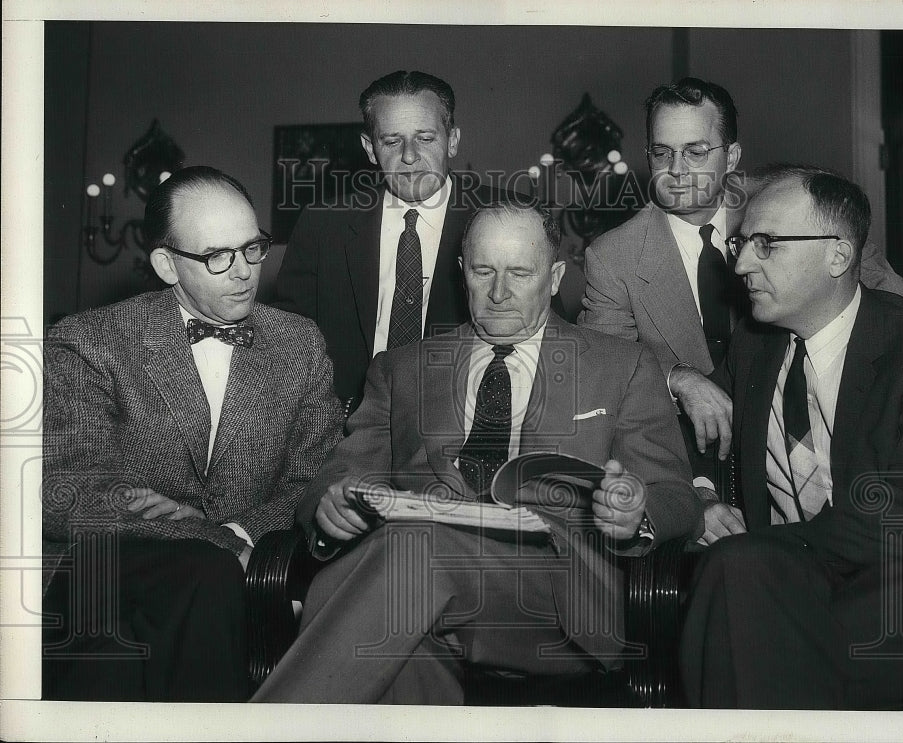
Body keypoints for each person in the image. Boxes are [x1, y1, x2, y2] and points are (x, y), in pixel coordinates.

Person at [252, 202, 702, 704]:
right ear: (461, 271)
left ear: (554, 278)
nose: (499, 292)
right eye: (484, 271)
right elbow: (339, 478)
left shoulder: (622, 366)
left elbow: (678, 499)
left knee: (403, 558)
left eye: (520, 273)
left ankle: (268, 729)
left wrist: (636, 512)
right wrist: (332, 506)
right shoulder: (401, 369)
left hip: (560, 602)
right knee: (398, 623)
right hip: (415, 591)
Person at [41, 166, 344, 701]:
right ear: (166, 265)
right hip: (112, 565)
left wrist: (247, 536)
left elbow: (311, 475)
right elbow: (69, 493)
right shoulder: (90, 342)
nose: (244, 272)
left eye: (253, 248)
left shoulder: (297, 343)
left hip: (237, 568)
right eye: (216, 257)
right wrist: (218, 539)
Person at [679, 165, 903, 709]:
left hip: (898, 602)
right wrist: (702, 497)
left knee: (734, 576)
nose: (740, 263)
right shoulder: (755, 344)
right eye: (742, 242)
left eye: (766, 245)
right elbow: (693, 440)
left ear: (837, 255)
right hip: (774, 585)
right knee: (736, 582)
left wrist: (758, 548)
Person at [577, 77, 903, 470]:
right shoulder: (613, 256)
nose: (675, 170)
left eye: (696, 152)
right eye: (661, 153)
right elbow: (601, 365)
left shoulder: (786, 206)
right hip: (691, 463)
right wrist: (677, 378)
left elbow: (894, 302)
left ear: (732, 156)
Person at [270, 70, 496, 413]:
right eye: (392, 141)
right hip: (344, 430)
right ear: (370, 148)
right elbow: (287, 342)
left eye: (425, 138)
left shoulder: (506, 219)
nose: (409, 155)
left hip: (463, 426)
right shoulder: (323, 224)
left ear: (452, 141)